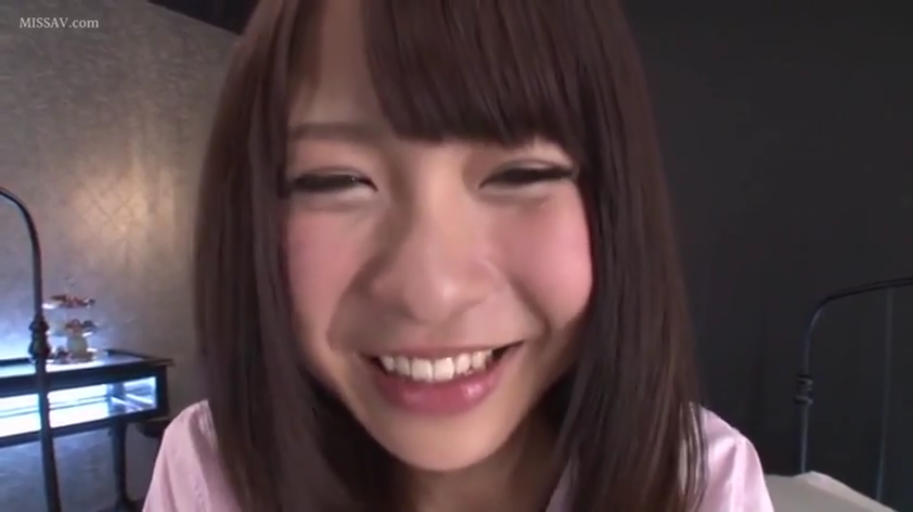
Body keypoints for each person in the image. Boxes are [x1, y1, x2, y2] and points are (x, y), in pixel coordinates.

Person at [144, 0, 775, 510]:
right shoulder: (212, 472)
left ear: (613, 203)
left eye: (521, 174)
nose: (431, 292)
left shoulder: (700, 485)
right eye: (336, 180)